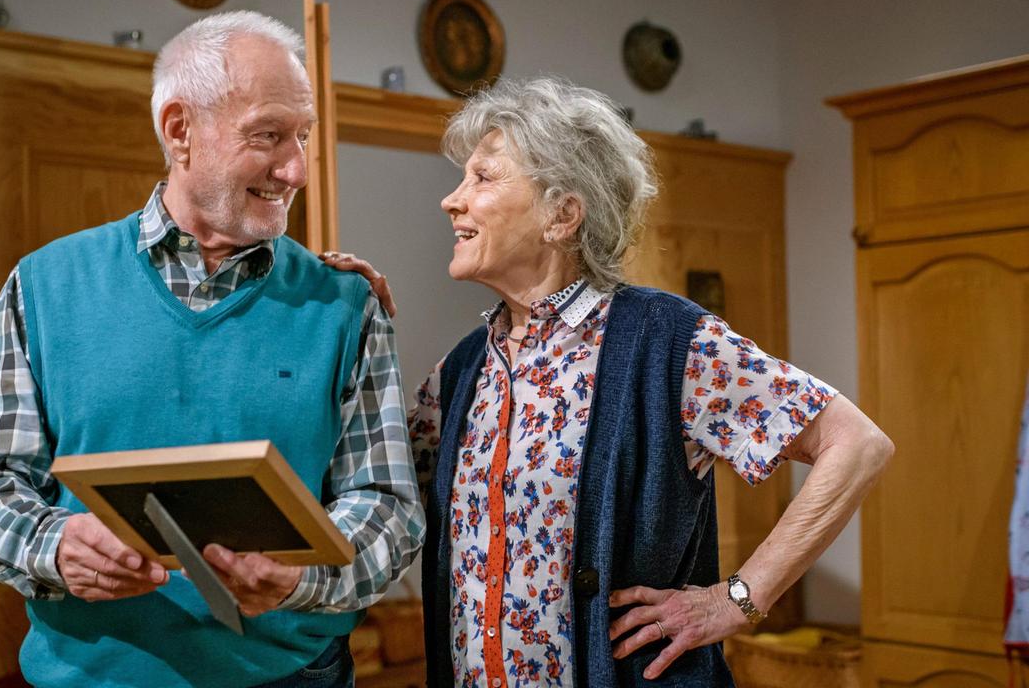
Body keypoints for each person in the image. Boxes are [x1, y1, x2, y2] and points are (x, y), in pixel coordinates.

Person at [322, 76, 893, 686]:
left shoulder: (667, 340)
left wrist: (737, 600)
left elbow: (857, 445)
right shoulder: (465, 368)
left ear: (562, 214)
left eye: (483, 178)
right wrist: (337, 324)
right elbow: (372, 492)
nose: (452, 200)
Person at [0, 11, 424, 688]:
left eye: (304, 138)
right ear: (180, 131)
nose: (296, 169)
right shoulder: (41, 287)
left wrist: (306, 579)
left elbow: (389, 506)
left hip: (291, 677)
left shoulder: (347, 304)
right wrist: (51, 545)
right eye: (269, 136)